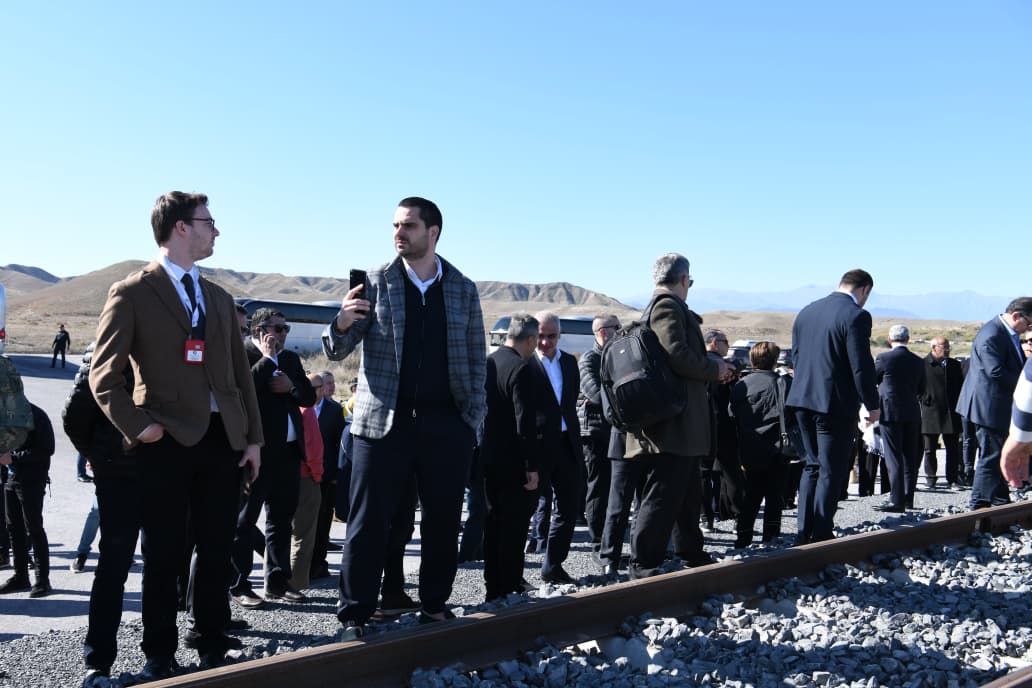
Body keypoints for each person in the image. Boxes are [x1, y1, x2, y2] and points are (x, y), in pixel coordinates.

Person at [89, 191, 263, 679]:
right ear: (181, 228)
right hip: (163, 441)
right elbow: (104, 376)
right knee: (165, 553)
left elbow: (240, 378)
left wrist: (252, 439)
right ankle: (159, 654)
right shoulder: (132, 292)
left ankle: (211, 644)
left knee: (215, 548)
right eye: (209, 222)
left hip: (221, 440)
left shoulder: (220, 298)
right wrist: (140, 428)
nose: (216, 231)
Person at [323, 196, 486, 639]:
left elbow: (475, 357)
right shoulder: (376, 282)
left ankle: (434, 604)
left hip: (446, 425)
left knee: (442, 519)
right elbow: (338, 349)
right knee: (367, 521)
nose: (399, 233)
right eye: (395, 225)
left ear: (433, 232)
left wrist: (471, 417)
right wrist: (338, 325)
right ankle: (354, 614)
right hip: (382, 426)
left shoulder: (462, 288)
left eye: (408, 226)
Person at [618, 253, 733, 579]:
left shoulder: (659, 305)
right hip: (673, 423)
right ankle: (644, 564)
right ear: (684, 280)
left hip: (678, 423)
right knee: (663, 492)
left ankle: (691, 552)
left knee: (685, 491)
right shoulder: (667, 306)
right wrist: (715, 367)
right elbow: (676, 355)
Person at [787, 269, 880, 544]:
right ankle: (822, 534)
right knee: (831, 469)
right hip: (833, 404)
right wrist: (872, 404)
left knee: (812, 466)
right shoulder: (856, 315)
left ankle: (804, 533)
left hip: (801, 400)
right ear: (864, 290)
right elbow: (861, 366)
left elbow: (796, 356)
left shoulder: (806, 311)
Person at [230, 308, 315, 607]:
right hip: (257, 453)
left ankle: (278, 582)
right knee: (244, 521)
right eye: (276, 329)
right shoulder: (242, 355)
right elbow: (242, 393)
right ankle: (239, 585)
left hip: (289, 453)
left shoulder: (291, 359)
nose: (281, 335)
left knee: (281, 519)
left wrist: (290, 387)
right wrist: (266, 361)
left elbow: (308, 397)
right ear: (257, 331)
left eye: (285, 329)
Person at [482, 314, 541, 601]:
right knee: (515, 526)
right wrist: (531, 466)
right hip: (514, 460)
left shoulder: (489, 363)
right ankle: (509, 584)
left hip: (488, 457)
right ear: (529, 339)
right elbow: (524, 423)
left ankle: (493, 585)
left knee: (493, 523)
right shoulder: (521, 369)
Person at [956, 298, 1032, 509]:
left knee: (997, 452)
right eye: (1029, 324)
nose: (1028, 329)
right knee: (990, 456)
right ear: (1017, 316)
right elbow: (995, 372)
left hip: (995, 406)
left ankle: (999, 501)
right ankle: (978, 505)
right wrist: (1027, 382)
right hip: (987, 407)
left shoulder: (1004, 333)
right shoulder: (992, 334)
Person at [526, 311, 583, 584]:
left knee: (568, 506)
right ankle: (510, 572)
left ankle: (553, 565)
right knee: (526, 507)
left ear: (559, 336)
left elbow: (570, 402)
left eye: (551, 336)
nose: (545, 342)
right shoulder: (525, 365)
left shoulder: (570, 364)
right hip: (536, 447)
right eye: (540, 336)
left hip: (566, 444)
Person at [729, 342, 793, 547]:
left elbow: (733, 414)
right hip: (778, 446)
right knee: (775, 494)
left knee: (751, 495)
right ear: (775, 361)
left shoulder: (741, 385)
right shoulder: (784, 383)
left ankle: (744, 536)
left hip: (749, 446)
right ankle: (771, 537)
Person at [577, 314, 619, 561]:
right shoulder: (589, 359)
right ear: (603, 332)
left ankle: (608, 540)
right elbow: (593, 391)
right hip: (594, 433)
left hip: (612, 430)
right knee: (598, 488)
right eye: (617, 328)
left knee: (612, 488)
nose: (620, 331)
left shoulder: (612, 356)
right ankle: (596, 543)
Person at [0, 402, 53, 597]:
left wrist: (13, 458)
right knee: (13, 528)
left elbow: (46, 449)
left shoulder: (36, 415)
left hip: (32, 479)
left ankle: (42, 580)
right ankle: (21, 576)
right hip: (11, 478)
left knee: (34, 528)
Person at [872, 325, 926, 513]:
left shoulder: (884, 358)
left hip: (890, 412)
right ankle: (908, 498)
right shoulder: (918, 361)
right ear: (908, 339)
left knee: (894, 456)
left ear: (889, 339)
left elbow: (873, 378)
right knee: (909, 457)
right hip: (911, 412)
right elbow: (922, 388)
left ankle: (896, 500)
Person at [287, 373, 325, 592]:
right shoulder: (307, 411)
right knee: (303, 535)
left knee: (283, 532)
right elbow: (314, 449)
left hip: (287, 476)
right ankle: (296, 583)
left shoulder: (288, 405)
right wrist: (317, 476)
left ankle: (276, 580)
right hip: (306, 477)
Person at [311, 371, 347, 580]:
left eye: (332, 383)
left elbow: (339, 444)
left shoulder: (334, 410)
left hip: (326, 475)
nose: (329, 387)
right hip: (305, 475)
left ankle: (319, 564)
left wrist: (336, 474)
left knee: (323, 521)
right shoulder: (301, 406)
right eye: (325, 384)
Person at [919, 337, 965, 489]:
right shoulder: (922, 365)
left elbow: (960, 386)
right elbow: (917, 387)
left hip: (951, 413)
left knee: (952, 448)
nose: (947, 350)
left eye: (948, 347)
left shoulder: (954, 365)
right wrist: (926, 399)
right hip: (930, 412)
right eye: (943, 347)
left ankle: (953, 478)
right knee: (930, 448)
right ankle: (931, 479)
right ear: (933, 348)